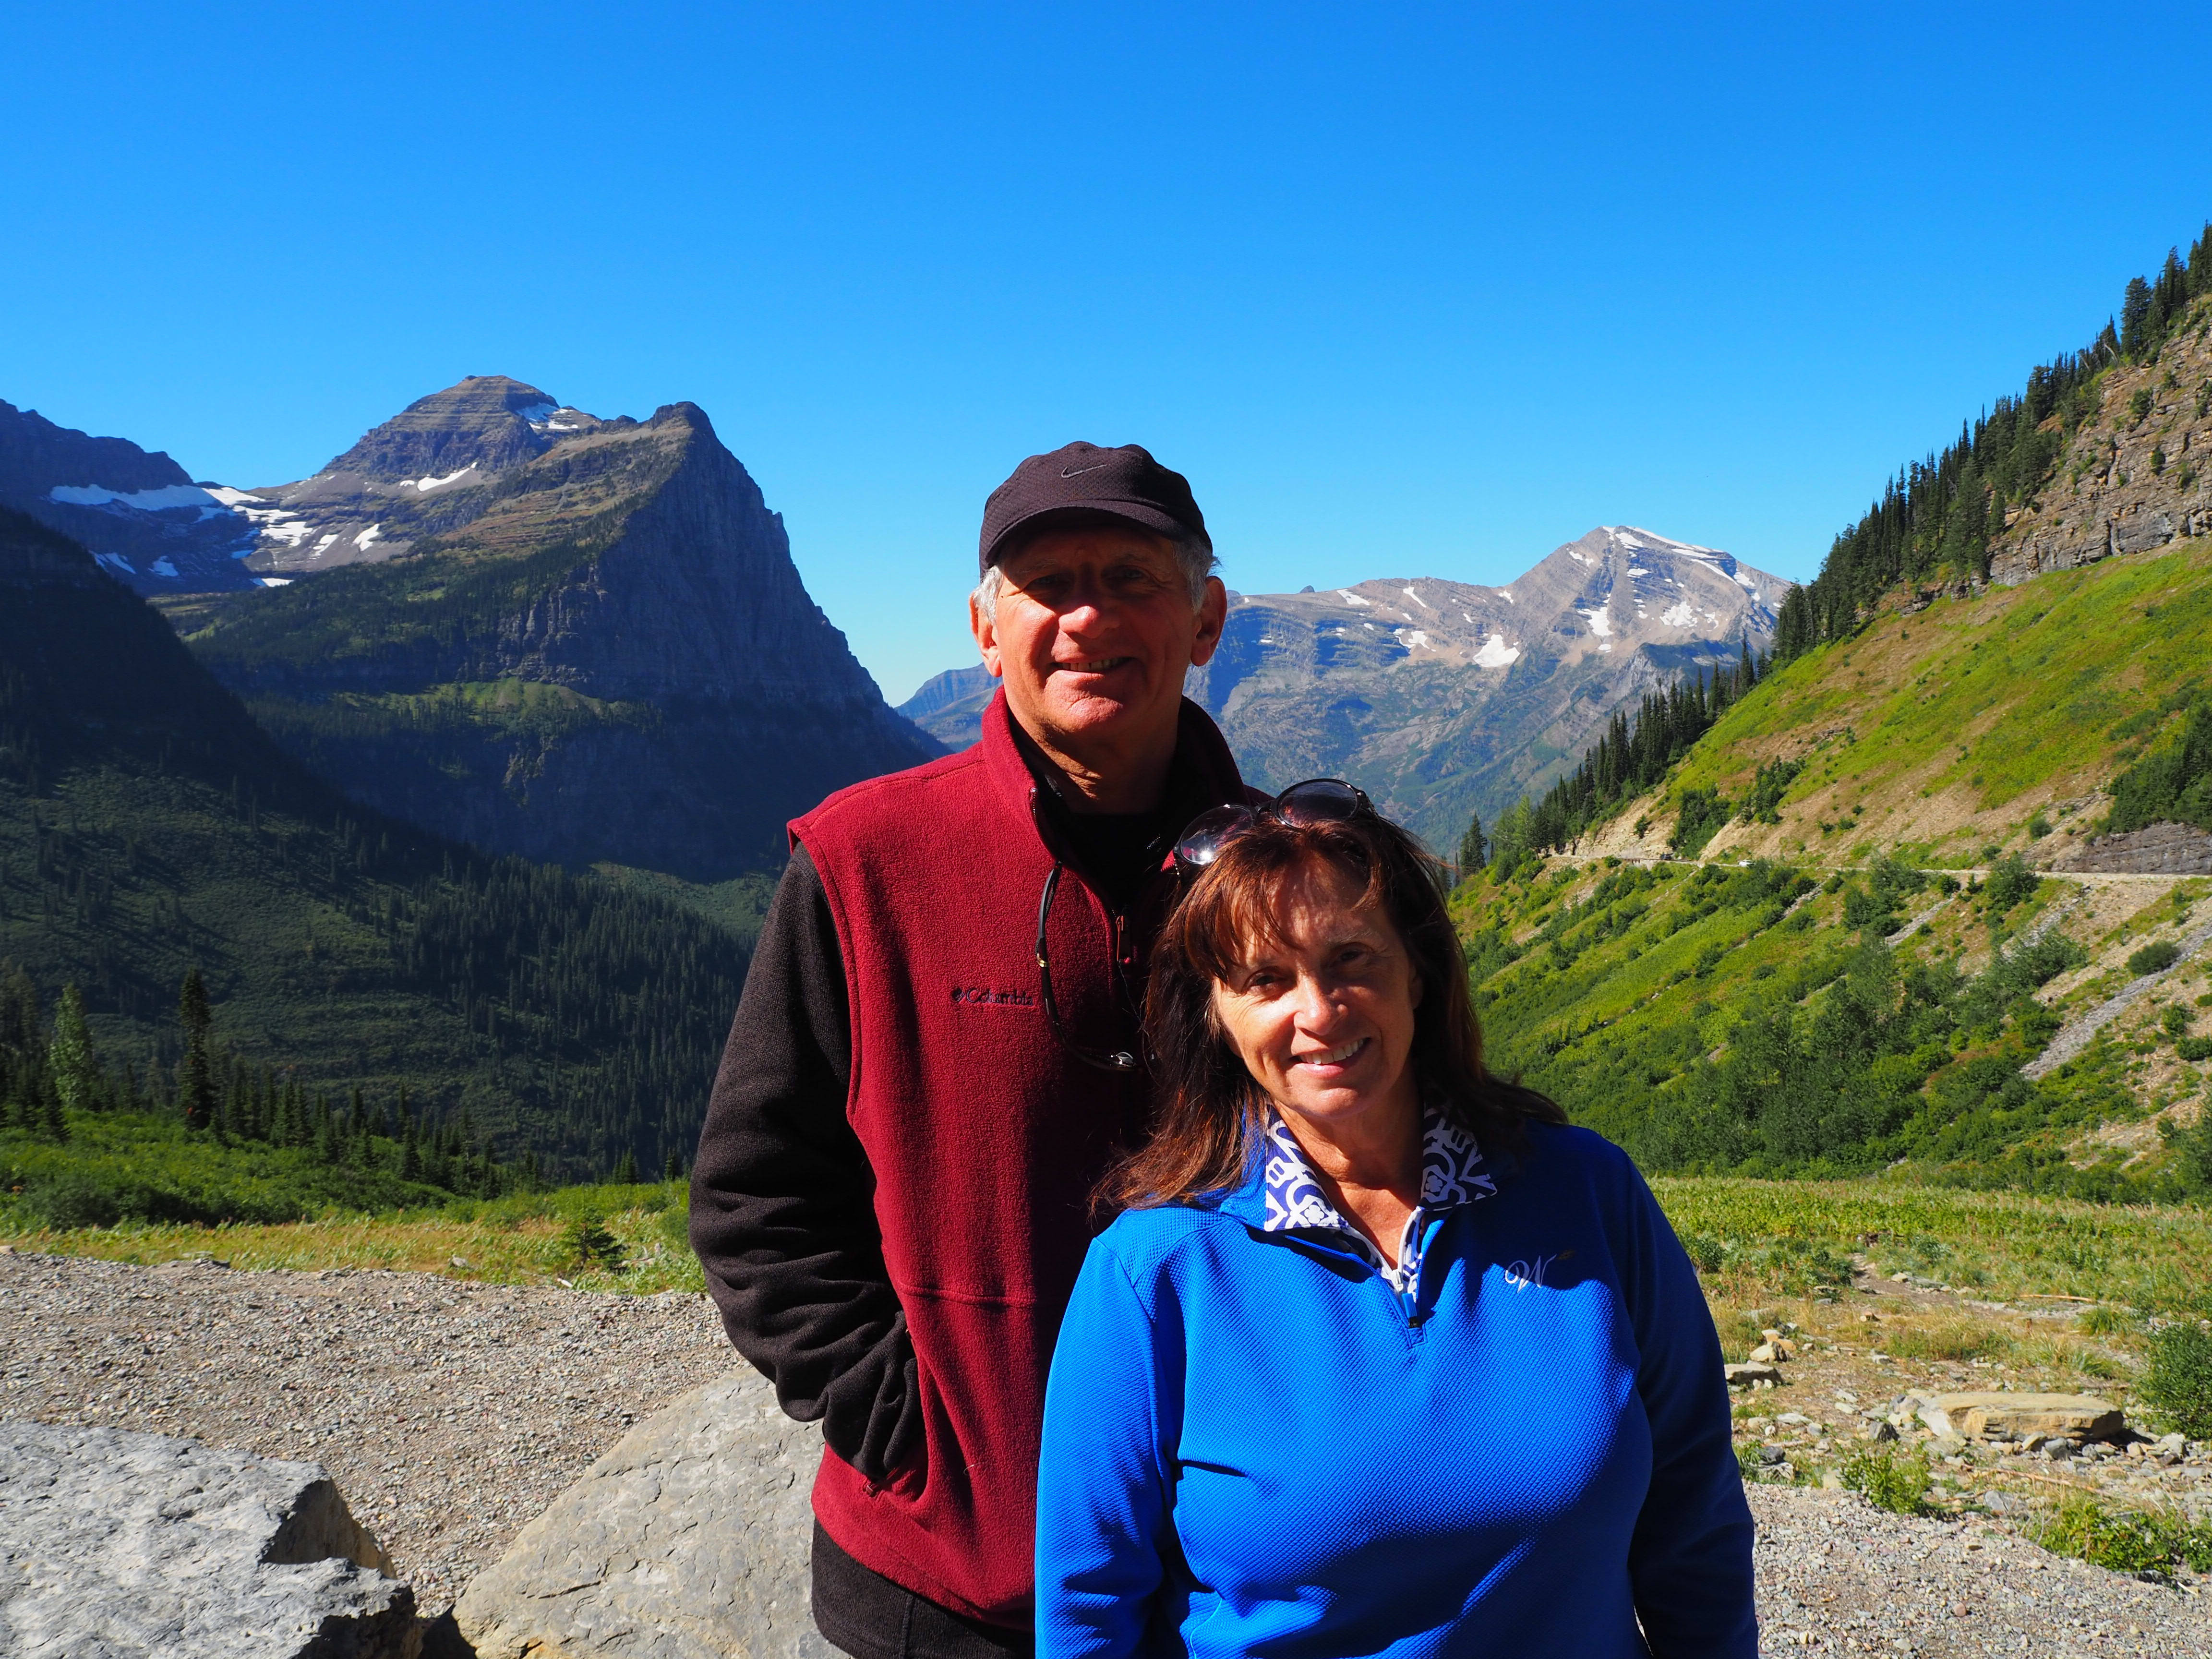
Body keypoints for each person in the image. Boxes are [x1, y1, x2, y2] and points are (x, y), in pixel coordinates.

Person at [690, 442, 1259, 1659]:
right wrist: (908, 1430)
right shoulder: (862, 864)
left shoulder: (1285, 884)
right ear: (987, 627)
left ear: (1206, 619)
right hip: (941, 1596)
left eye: (1133, 577)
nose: (1089, 615)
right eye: (1047, 581)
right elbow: (754, 1194)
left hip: (1232, 1580)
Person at [1035, 790, 1757, 1658]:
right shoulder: (1156, 1273)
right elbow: (1087, 1608)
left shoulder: (1587, 1194)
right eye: (1267, 979)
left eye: (1352, 959)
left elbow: (1697, 1519)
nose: (1319, 1010)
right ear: (1217, 1017)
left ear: (1417, 971)